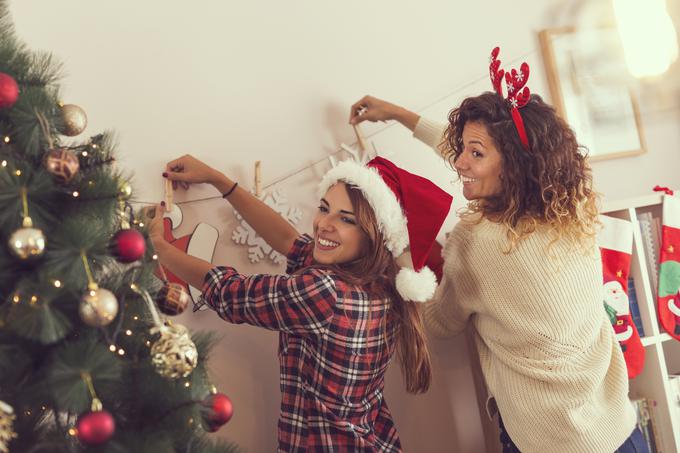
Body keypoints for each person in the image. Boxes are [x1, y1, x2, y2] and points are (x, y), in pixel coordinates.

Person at [349, 47, 647, 453]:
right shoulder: (572, 207)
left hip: (549, 441)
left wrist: (402, 246)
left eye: (475, 153)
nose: (459, 162)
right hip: (616, 428)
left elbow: (440, 322)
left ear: (513, 166)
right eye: (462, 148)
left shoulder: (480, 243)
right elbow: (474, 150)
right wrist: (402, 116)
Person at [146, 154, 452, 452]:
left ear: (373, 235)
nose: (324, 224)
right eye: (324, 208)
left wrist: (160, 247)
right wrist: (218, 180)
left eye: (346, 219)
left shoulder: (326, 291)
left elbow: (231, 291)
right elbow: (287, 239)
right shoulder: (378, 276)